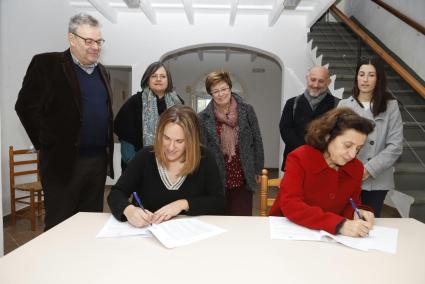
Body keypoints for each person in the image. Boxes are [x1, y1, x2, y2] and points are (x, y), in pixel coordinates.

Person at [15, 13, 114, 230]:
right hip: (63, 163)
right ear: (72, 38)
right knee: (60, 225)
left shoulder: (103, 72)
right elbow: (25, 107)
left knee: (89, 224)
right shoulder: (47, 63)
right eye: (88, 41)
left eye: (99, 41)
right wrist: (46, 142)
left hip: (97, 163)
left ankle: (83, 263)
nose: (95, 46)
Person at [108, 105, 225, 226]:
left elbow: (218, 202)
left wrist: (182, 204)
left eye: (179, 141)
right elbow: (116, 193)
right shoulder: (144, 157)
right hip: (147, 234)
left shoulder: (205, 158)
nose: (171, 147)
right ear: (159, 134)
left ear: (191, 140)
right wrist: (129, 210)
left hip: (189, 236)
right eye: (166, 138)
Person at [270, 107, 376, 237]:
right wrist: (339, 225)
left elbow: (351, 203)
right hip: (288, 231)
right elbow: (291, 205)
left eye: (358, 149)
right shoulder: (299, 158)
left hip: (327, 238)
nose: (353, 154)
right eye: (348, 146)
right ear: (327, 137)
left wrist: (356, 212)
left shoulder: (356, 167)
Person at [338, 57, 403, 217]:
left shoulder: (391, 106)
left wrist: (368, 169)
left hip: (377, 179)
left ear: (378, 79)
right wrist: (354, 170)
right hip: (347, 175)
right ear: (356, 78)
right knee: (345, 220)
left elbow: (395, 146)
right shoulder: (344, 105)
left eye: (371, 75)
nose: (365, 79)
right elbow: (335, 144)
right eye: (361, 74)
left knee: (370, 225)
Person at [198, 71, 264, 216]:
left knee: (242, 217)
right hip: (217, 174)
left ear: (230, 88)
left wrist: (258, 168)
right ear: (210, 93)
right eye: (215, 91)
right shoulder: (203, 117)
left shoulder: (247, 110)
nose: (221, 94)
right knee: (219, 217)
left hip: (243, 173)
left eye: (224, 89)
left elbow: (257, 139)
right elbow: (202, 148)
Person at [114, 62, 183, 171]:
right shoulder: (134, 102)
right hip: (139, 165)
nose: (158, 79)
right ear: (147, 79)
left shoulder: (178, 102)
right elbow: (126, 138)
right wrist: (135, 164)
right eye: (154, 76)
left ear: (168, 80)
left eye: (162, 76)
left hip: (171, 165)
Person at [279, 66, 337, 171]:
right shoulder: (292, 103)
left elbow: (337, 133)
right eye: (313, 79)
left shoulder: (337, 105)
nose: (315, 85)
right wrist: (305, 150)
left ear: (328, 82)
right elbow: (285, 130)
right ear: (307, 78)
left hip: (325, 162)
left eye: (321, 81)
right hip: (295, 160)